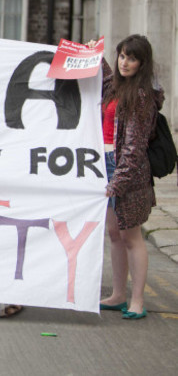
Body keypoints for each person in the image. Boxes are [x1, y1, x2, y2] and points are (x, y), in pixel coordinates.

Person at [88, 34, 163, 320]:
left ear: (142, 64)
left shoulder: (141, 96)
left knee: (131, 236)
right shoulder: (116, 86)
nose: (124, 62)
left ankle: (137, 301)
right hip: (104, 165)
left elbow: (134, 147)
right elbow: (103, 75)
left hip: (128, 173)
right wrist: (94, 53)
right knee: (114, 234)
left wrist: (118, 181)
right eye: (122, 56)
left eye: (131, 58)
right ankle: (118, 294)